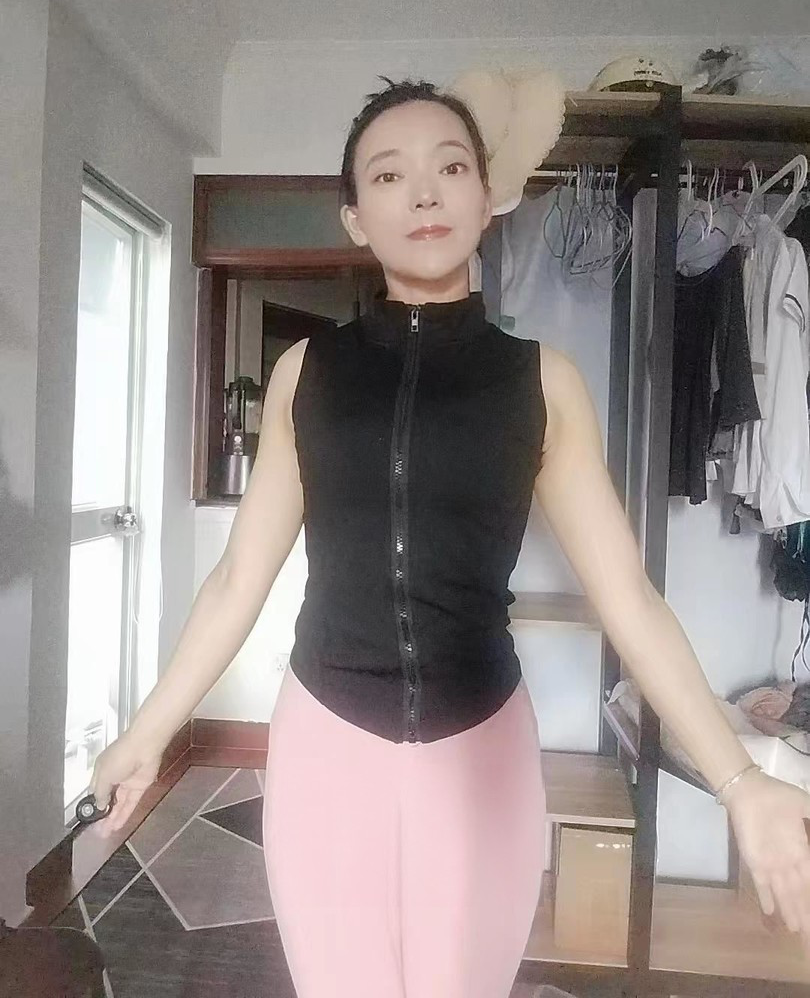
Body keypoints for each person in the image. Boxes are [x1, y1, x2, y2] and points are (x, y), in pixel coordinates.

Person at [88, 77, 810, 995]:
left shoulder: (541, 383)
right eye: (389, 176)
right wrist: (149, 733)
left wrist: (740, 781)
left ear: (488, 195)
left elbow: (629, 596)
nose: (424, 193)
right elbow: (238, 578)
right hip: (327, 739)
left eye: (451, 167)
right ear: (356, 218)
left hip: (482, 749)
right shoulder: (306, 374)